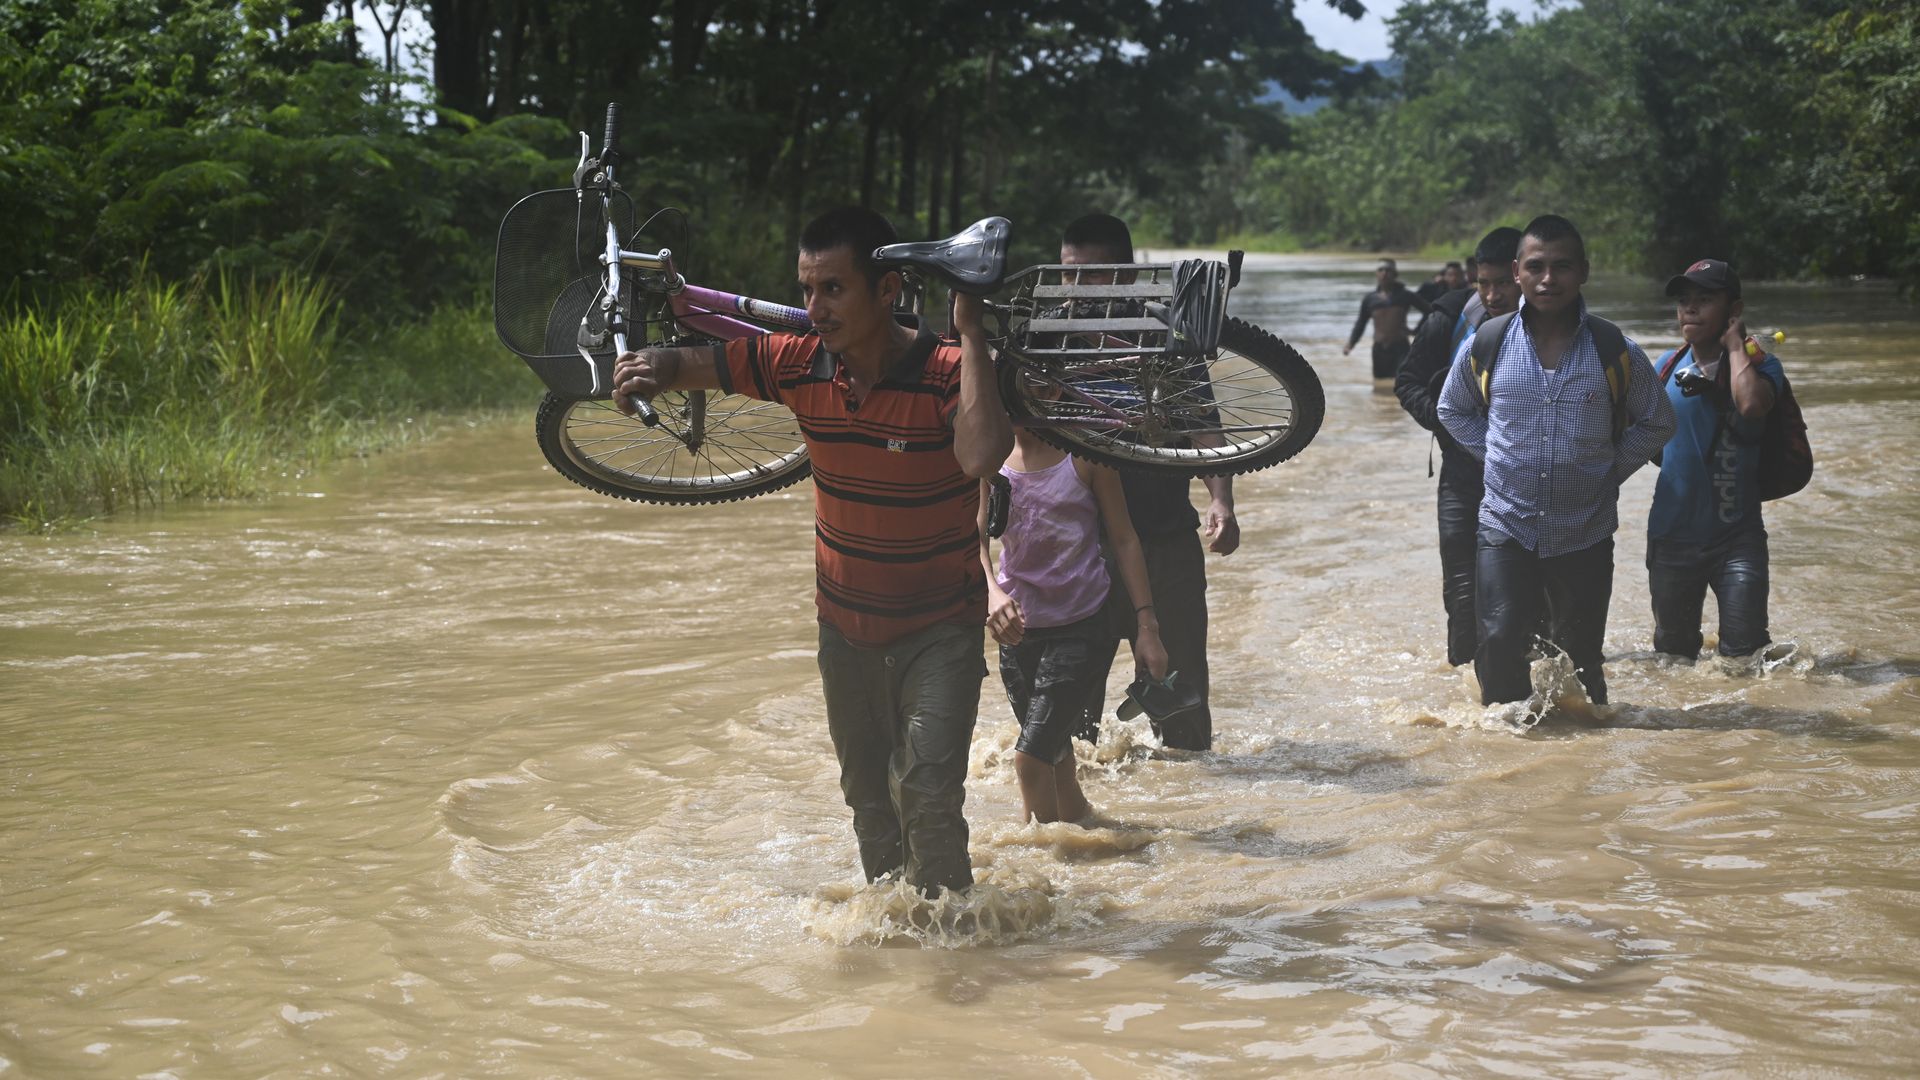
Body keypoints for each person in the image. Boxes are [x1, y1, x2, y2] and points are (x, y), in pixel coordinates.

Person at [610, 207, 1013, 896]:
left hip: (939, 630)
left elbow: (980, 455)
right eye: (805, 289)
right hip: (845, 631)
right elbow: (704, 365)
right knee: (868, 801)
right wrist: (647, 370)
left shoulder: (948, 370)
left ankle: (961, 954)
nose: (814, 307)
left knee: (928, 796)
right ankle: (897, 938)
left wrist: (972, 333)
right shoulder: (798, 364)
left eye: (833, 288)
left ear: (886, 292)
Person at [1437, 215, 1675, 706]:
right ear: (1517, 272)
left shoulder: (1615, 349)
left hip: (1584, 528)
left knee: (1582, 656)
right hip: (1506, 523)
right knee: (1500, 640)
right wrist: (1496, 456)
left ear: (1583, 272)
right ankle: (1507, 753)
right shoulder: (1488, 344)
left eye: (1562, 267)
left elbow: (1657, 421)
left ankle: (1584, 760)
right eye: (1537, 267)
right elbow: (1451, 408)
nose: (1549, 279)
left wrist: (1609, 469)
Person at [1059, 213, 1238, 752]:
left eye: (1090, 274)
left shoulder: (1167, 339)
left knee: (1184, 721)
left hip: (1164, 542)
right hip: (1076, 549)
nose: (1076, 288)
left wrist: (1222, 503)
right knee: (1071, 729)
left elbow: (1206, 430)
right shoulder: (1046, 345)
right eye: (1067, 274)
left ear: (1125, 271)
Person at [980, 397, 1167, 823]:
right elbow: (972, 537)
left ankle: (1046, 866)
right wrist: (991, 593)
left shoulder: (1086, 454)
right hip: (1018, 630)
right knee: (1055, 750)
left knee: (1029, 758)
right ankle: (1084, 826)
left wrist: (1147, 627)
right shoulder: (988, 458)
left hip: (1084, 626)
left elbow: (1124, 540)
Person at [1395, 227, 1523, 666]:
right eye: (1483, 283)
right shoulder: (1448, 317)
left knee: (1527, 585)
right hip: (1461, 475)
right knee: (1463, 585)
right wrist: (1448, 421)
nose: (1492, 295)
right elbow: (1407, 382)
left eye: (1502, 284)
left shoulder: (1558, 327)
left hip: (1527, 477)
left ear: (1522, 275)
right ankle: (1463, 681)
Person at [1646, 259, 1783, 660]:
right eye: (1685, 301)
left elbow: (1752, 406)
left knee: (1745, 657)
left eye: (1704, 300)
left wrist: (1736, 348)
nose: (1690, 309)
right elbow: (1642, 442)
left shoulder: (1763, 368)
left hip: (1737, 539)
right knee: (1673, 657)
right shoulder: (1665, 368)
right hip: (1672, 538)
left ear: (1734, 310)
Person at [1343, 258, 1432, 380]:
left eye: (1388, 270)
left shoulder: (1405, 295)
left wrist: (1415, 331)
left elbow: (1429, 311)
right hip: (1379, 350)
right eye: (1381, 270)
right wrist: (1351, 343)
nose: (1384, 273)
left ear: (1395, 274)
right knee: (1379, 386)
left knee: (1403, 382)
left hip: (1401, 349)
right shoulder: (1370, 299)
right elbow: (1361, 323)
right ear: (1377, 274)